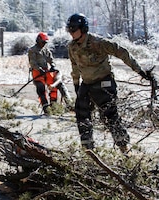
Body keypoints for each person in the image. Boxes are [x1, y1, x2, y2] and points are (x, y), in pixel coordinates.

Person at [66, 13, 152, 152]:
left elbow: (122, 53)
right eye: (69, 30)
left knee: (109, 116)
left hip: (103, 83)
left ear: (83, 28)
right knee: (81, 115)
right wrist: (76, 85)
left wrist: (140, 71)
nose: (71, 33)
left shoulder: (98, 42)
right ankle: (88, 151)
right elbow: (75, 66)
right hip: (86, 84)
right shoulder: (72, 47)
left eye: (73, 29)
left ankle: (124, 149)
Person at [28, 32, 72, 115]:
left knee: (54, 86)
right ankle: (46, 108)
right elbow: (32, 63)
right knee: (41, 88)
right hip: (37, 73)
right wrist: (39, 69)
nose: (44, 44)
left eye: (45, 42)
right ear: (38, 41)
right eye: (43, 42)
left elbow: (51, 59)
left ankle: (54, 105)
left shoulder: (45, 50)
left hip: (46, 72)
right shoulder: (32, 50)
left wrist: (52, 65)